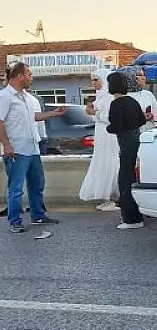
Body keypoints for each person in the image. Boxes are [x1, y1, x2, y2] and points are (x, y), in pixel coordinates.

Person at [0, 62, 65, 233]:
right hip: (16, 149)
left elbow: (33, 116)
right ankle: (15, 221)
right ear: (19, 76)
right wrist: (6, 145)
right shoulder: (5, 96)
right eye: (29, 74)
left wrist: (54, 113)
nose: (31, 78)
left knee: (37, 184)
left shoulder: (27, 97)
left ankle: (38, 215)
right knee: (16, 188)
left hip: (32, 147)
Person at [106, 72, 146, 230]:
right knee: (134, 178)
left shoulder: (116, 104)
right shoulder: (133, 101)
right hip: (137, 139)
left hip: (125, 142)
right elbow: (142, 120)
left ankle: (131, 218)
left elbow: (115, 126)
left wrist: (108, 127)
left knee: (125, 180)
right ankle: (140, 212)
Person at [78, 68, 120, 211]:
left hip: (110, 136)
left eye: (96, 80)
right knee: (102, 164)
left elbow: (111, 118)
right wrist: (92, 111)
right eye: (92, 80)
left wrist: (94, 112)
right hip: (101, 136)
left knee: (111, 164)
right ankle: (107, 197)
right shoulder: (100, 97)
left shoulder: (109, 97)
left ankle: (115, 198)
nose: (93, 83)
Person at [119, 66, 157, 132]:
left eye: (144, 75)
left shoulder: (148, 94)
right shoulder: (121, 96)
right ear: (129, 77)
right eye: (140, 75)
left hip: (149, 132)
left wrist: (152, 116)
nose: (144, 78)